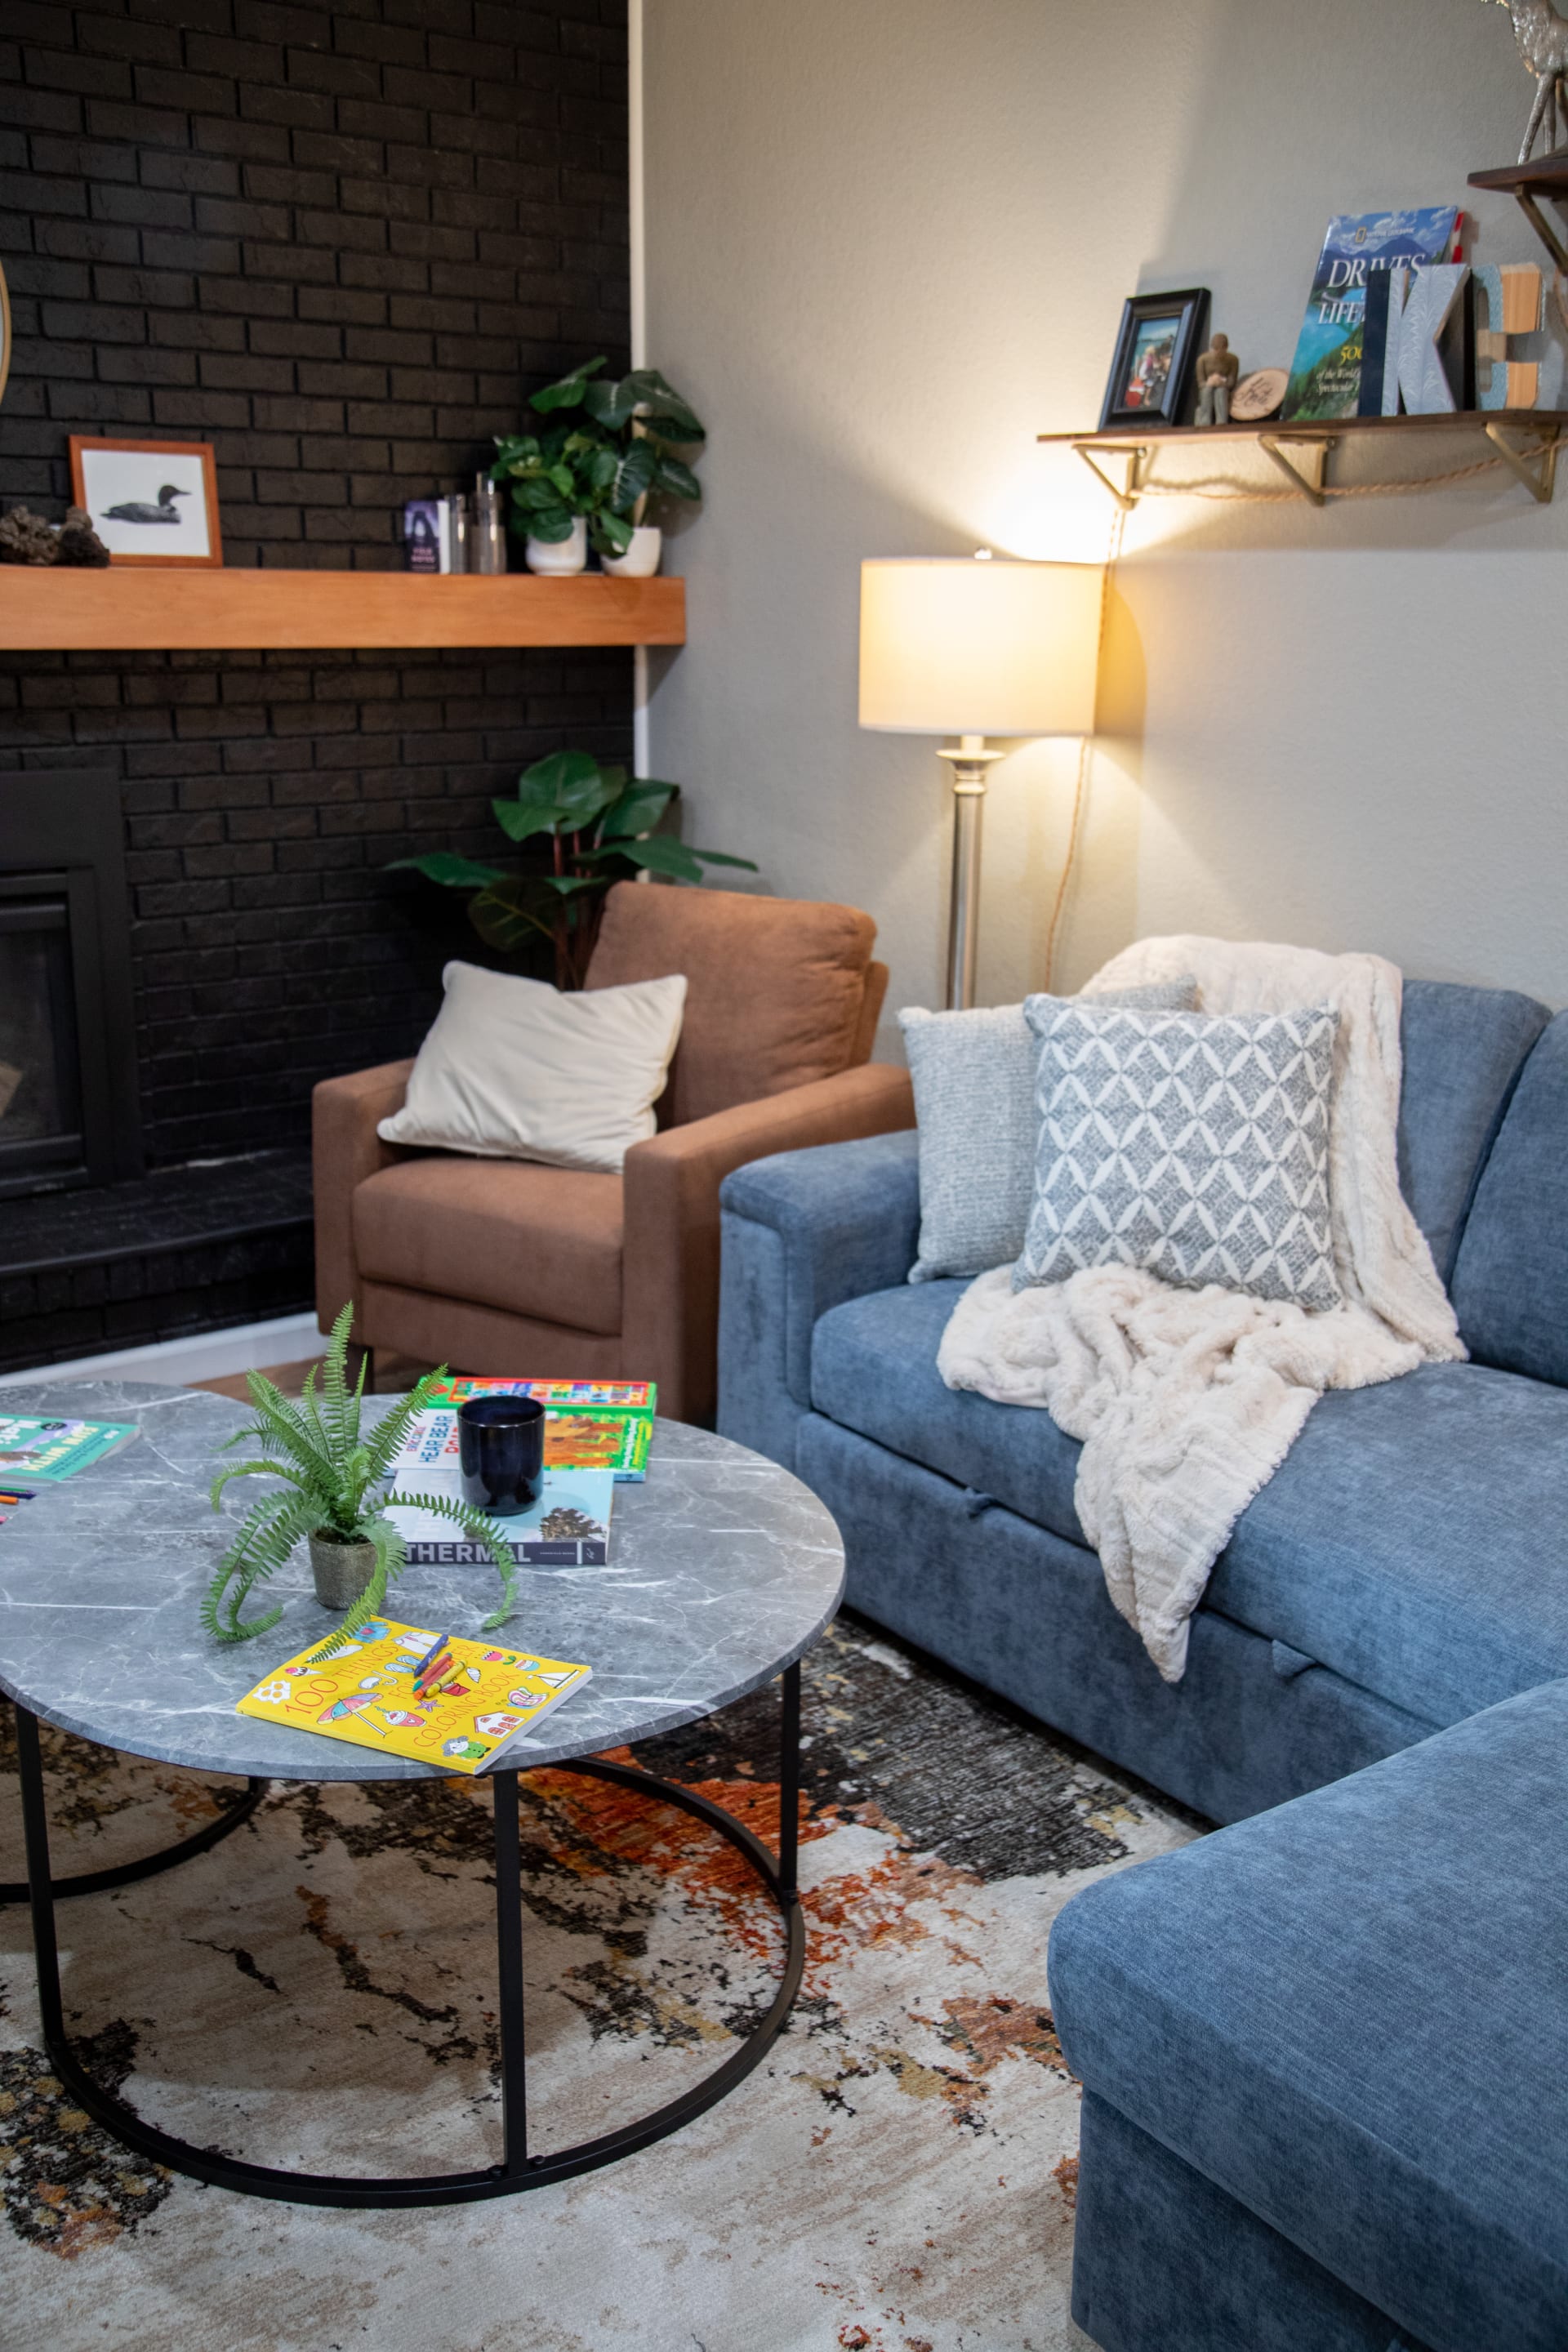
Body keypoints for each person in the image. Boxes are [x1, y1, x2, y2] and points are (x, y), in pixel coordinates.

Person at [1196, 332, 1241, 425]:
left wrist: (1222, 382)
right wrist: (1210, 382)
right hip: (1207, 386)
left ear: (1226, 348)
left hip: (1223, 387)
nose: (1218, 352)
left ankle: (1222, 422)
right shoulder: (1202, 360)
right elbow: (1201, 382)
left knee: (1221, 392)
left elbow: (1232, 381)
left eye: (1221, 349)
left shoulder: (1233, 359)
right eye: (1215, 349)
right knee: (1207, 391)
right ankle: (1204, 422)